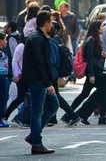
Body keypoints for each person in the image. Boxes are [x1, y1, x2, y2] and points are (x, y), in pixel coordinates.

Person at [21, 11, 59, 154]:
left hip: (41, 79)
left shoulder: (39, 37)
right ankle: (36, 143)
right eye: (51, 23)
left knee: (54, 104)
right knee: (37, 111)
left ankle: (34, 135)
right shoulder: (37, 38)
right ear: (47, 23)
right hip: (38, 80)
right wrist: (47, 82)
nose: (52, 26)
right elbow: (39, 62)